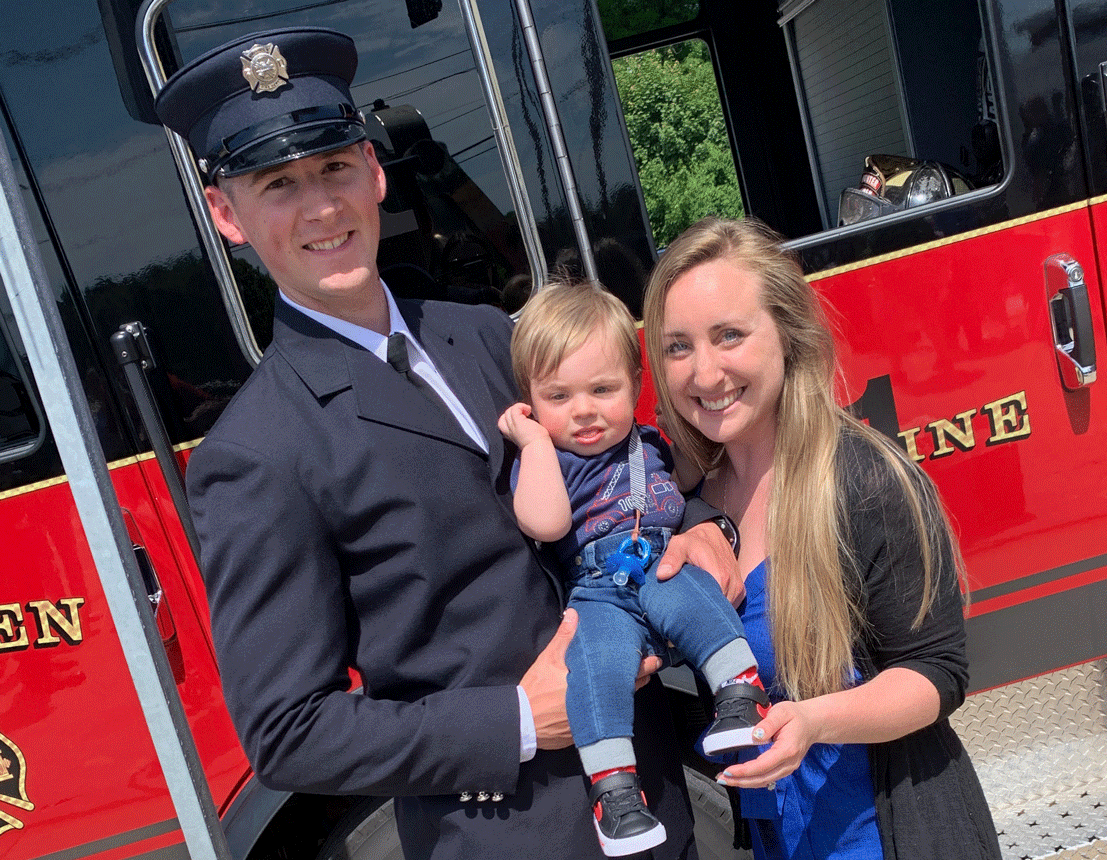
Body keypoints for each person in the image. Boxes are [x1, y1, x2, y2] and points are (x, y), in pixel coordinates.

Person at [153, 26, 734, 860]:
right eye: (277, 184)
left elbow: (615, 453)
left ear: (374, 172)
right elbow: (288, 732)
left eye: (334, 167)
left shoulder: (489, 334)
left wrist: (706, 525)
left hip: (654, 791)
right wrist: (516, 722)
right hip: (504, 835)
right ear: (226, 215)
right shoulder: (257, 452)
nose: (320, 207)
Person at [642, 216, 1002, 860]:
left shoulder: (867, 481)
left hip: (881, 838)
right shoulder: (686, 504)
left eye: (730, 335)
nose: (704, 372)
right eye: (677, 347)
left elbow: (935, 675)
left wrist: (813, 721)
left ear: (788, 334)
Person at [498, 281, 769, 856]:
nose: (585, 411)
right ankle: (616, 794)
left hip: (658, 561)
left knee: (692, 599)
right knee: (595, 670)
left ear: (635, 386)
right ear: (529, 401)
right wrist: (534, 443)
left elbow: (695, 476)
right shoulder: (549, 462)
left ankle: (740, 694)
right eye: (559, 397)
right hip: (597, 593)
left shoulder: (649, 442)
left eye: (603, 389)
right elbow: (544, 523)